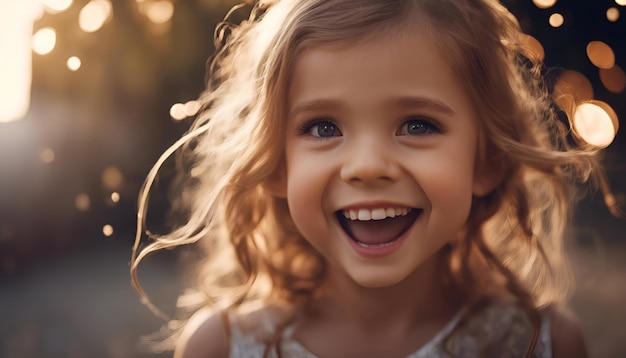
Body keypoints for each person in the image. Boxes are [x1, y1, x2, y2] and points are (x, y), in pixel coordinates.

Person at [131, 0, 617, 356]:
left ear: (485, 160)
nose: (366, 166)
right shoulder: (219, 346)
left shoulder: (541, 343)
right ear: (276, 163)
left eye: (417, 125)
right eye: (323, 127)